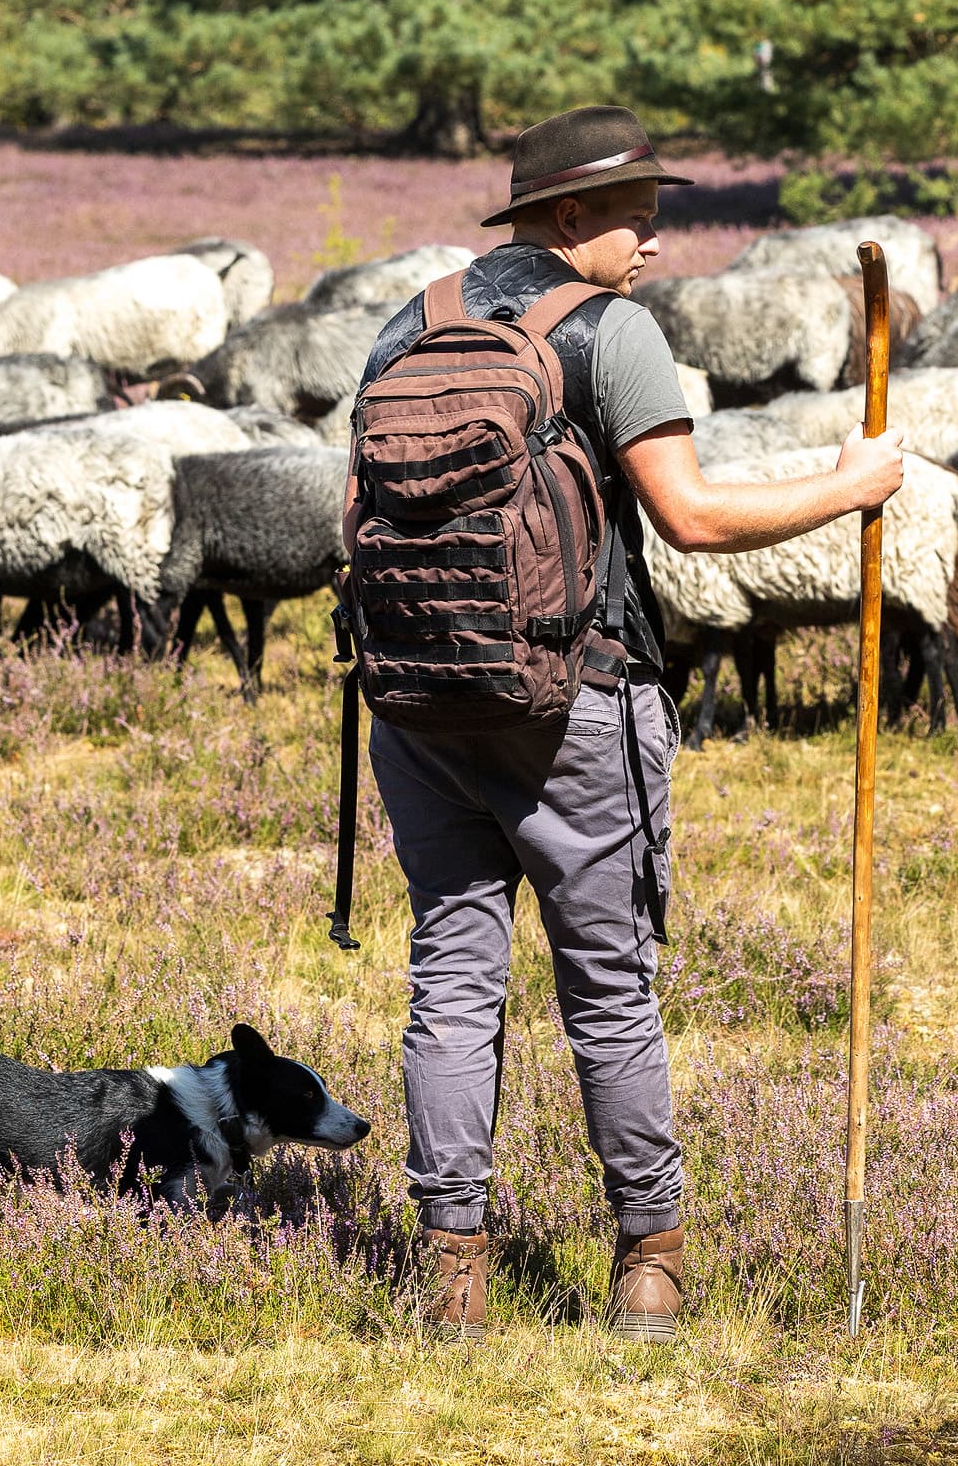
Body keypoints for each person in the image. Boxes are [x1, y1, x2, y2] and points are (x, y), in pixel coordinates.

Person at [353, 104, 905, 1343]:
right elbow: (693, 519)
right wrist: (851, 485)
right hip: (574, 702)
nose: (652, 238)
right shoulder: (614, 334)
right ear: (564, 219)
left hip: (417, 704)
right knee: (607, 988)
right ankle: (648, 1263)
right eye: (632, 215)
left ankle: (452, 1275)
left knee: (451, 979)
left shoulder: (410, 321)